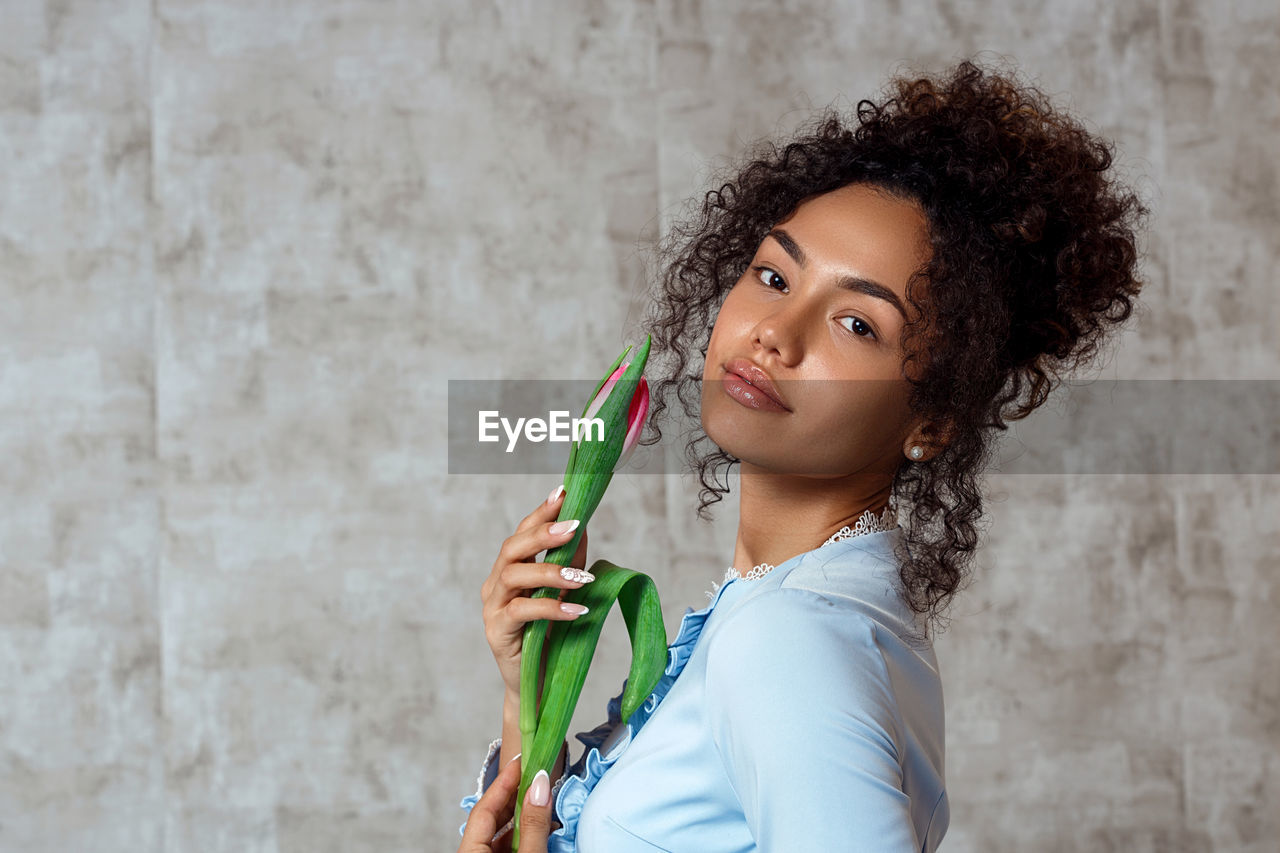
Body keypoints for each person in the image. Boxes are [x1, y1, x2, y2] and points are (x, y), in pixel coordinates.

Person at [458, 55, 1149, 851]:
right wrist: (532, 697)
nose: (774, 334)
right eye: (774, 275)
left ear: (930, 420)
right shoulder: (801, 615)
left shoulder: (786, 638)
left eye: (857, 324)